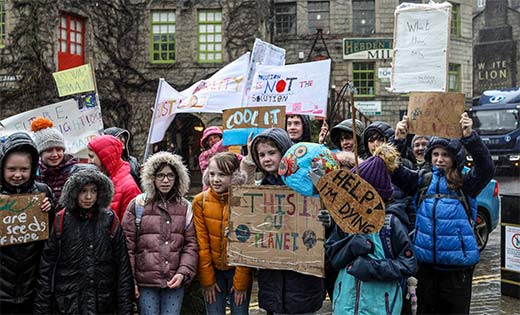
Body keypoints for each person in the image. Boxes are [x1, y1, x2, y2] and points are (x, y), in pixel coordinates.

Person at [392, 113, 495, 314]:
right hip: (426, 268)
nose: (439, 159)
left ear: (455, 158)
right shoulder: (421, 181)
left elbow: (486, 168)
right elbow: (392, 169)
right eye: (435, 154)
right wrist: (399, 140)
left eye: (445, 155)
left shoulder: (466, 184)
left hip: (458, 272)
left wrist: (470, 137)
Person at [325, 144, 417, 315]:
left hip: (380, 307)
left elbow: (408, 264)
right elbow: (332, 256)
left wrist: (372, 268)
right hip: (345, 306)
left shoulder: (391, 223)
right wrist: (350, 246)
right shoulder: (346, 220)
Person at [34, 168, 134, 314]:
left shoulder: (109, 219)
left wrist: (125, 309)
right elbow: (46, 270)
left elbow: (122, 268)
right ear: (74, 191)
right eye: (83, 191)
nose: (88, 197)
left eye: (93, 191)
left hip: (103, 303)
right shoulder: (61, 220)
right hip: (68, 304)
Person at [249, 128, 324, 314]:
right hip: (272, 286)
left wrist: (326, 221)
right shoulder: (257, 192)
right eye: (261, 154)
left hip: (303, 285)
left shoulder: (309, 186)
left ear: (285, 152)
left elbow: (327, 231)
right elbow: (253, 227)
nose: (266, 159)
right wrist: (238, 234)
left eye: (272, 153)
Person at [122, 152, 199, 315]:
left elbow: (191, 245)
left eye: (170, 175)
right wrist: (131, 281)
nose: (165, 180)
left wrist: (183, 273)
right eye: (160, 175)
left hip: (174, 279)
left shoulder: (185, 207)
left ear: (177, 178)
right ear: (152, 177)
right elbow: (128, 247)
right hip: (145, 283)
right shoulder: (137, 205)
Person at [0, 132, 55, 314]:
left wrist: (50, 210)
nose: (17, 175)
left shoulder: (42, 192)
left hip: (33, 288)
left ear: (32, 169)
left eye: (23, 169)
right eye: (11, 169)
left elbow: (53, 235)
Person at [192, 152, 252, 315]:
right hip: (213, 270)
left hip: (237, 269)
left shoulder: (245, 200)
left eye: (222, 175)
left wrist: (241, 282)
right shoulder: (200, 201)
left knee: (239, 311)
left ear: (234, 176)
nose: (216, 179)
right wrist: (207, 279)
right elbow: (201, 244)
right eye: (212, 174)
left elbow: (246, 246)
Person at [87, 135, 141, 220]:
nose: (89, 161)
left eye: (91, 157)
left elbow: (129, 227)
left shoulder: (129, 187)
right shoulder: (103, 180)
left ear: (105, 157)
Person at [31, 117, 79, 204]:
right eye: (49, 150)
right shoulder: (33, 173)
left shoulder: (74, 172)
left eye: (58, 150)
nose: (55, 155)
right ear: (40, 153)